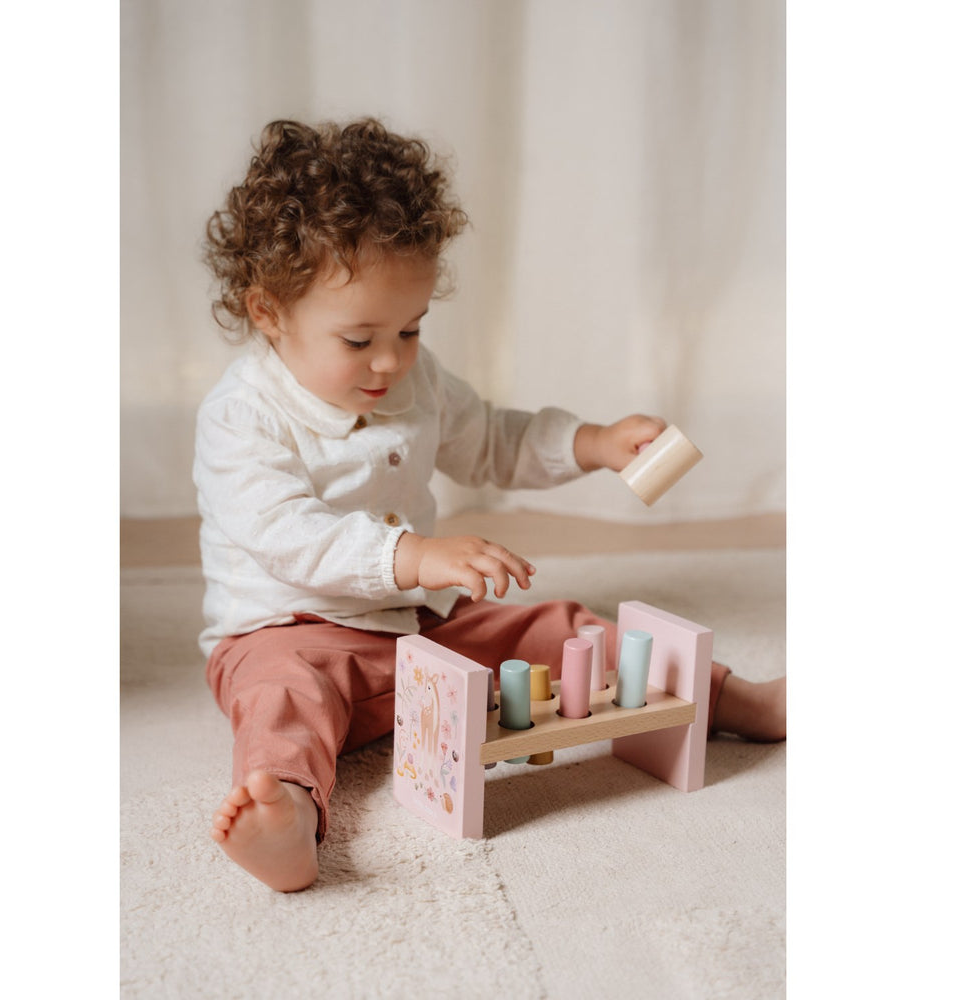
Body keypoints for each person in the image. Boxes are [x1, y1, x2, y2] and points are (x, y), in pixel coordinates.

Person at [195, 118, 786, 893]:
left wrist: (593, 443)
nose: (390, 360)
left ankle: (732, 699)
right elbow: (283, 532)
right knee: (282, 701)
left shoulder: (415, 379)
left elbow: (493, 442)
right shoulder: (241, 415)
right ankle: (293, 817)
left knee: (559, 628)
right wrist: (414, 555)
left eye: (410, 328)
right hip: (287, 633)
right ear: (269, 313)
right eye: (359, 340)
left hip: (415, 627)